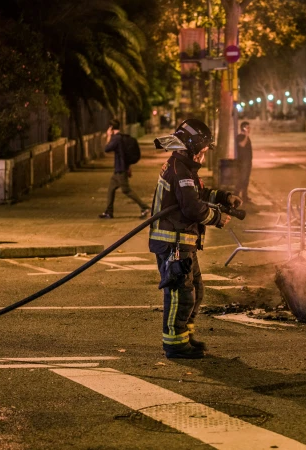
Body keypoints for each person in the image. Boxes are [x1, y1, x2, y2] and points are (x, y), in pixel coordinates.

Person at [150, 119, 241, 359]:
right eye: (201, 150)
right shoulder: (180, 170)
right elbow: (192, 207)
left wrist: (223, 196)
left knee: (195, 291)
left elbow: (196, 192)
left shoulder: (184, 166)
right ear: (191, 147)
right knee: (180, 293)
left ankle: (186, 336)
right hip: (174, 243)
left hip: (183, 241)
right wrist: (217, 218)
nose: (203, 155)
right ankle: (175, 344)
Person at [99, 119, 150, 219]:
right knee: (111, 190)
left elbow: (106, 149)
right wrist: (128, 166)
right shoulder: (121, 138)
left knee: (126, 190)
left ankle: (145, 207)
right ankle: (109, 212)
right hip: (120, 169)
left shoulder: (116, 139)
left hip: (120, 170)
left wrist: (108, 135)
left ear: (111, 128)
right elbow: (124, 154)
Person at [235, 121, 253, 202]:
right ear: (243, 128)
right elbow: (242, 145)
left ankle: (244, 196)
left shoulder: (246, 137)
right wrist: (246, 136)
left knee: (246, 179)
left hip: (248, 161)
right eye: (248, 127)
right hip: (242, 162)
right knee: (241, 178)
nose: (249, 129)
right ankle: (236, 194)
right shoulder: (239, 137)